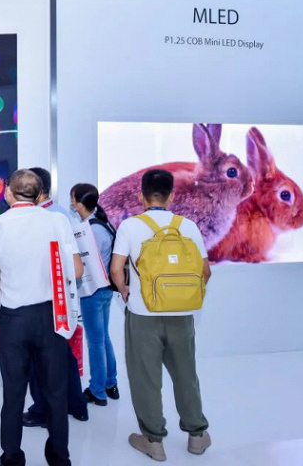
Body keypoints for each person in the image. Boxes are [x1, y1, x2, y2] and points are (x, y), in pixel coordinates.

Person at [0, 169, 84, 466]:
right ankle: (59, 457)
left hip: (14, 320)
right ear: (38, 196)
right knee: (56, 393)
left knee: (13, 395)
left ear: (8, 194)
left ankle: (12, 458)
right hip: (51, 318)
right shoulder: (57, 221)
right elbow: (77, 271)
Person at [110, 169, 212, 462]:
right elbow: (205, 272)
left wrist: (125, 290)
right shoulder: (188, 226)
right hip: (182, 315)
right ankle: (197, 436)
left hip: (143, 314)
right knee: (186, 374)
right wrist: (184, 297)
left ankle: (153, 441)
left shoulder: (130, 226)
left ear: (140, 196)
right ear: (172, 196)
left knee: (145, 377)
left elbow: (116, 269)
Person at [22, 168, 88, 428]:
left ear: (37, 189)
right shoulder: (60, 213)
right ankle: (77, 404)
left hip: (44, 297)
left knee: (38, 358)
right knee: (63, 354)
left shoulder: (41, 217)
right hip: (62, 297)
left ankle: (43, 410)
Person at [70, 183, 119, 406]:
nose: (71, 203)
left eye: (73, 198)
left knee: (95, 342)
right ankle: (111, 383)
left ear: (79, 204)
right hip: (106, 288)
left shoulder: (88, 230)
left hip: (92, 291)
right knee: (103, 337)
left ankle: (98, 390)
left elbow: (85, 264)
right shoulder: (103, 224)